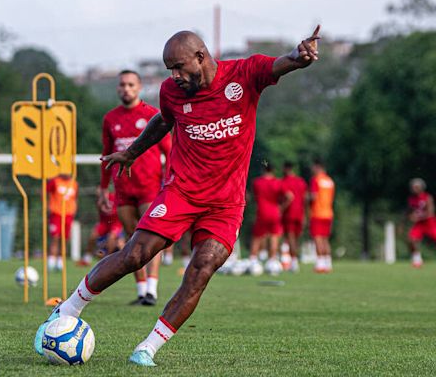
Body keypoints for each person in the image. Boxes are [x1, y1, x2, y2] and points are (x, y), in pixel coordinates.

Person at [35, 26, 321, 366]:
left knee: (203, 267)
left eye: (178, 67)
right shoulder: (172, 92)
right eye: (169, 69)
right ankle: (67, 309)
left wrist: (299, 57)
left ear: (200, 57)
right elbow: (162, 122)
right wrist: (131, 153)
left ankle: (147, 348)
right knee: (134, 254)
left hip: (226, 204)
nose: (174, 76)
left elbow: (281, 63)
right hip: (181, 192)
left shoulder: (244, 74)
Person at [98, 70, 172, 306]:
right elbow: (106, 156)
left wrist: (170, 181)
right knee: (132, 241)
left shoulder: (152, 115)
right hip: (123, 190)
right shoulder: (111, 118)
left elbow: (169, 152)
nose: (126, 88)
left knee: (153, 237)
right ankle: (141, 291)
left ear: (139, 87)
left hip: (150, 188)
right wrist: (102, 188)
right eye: (122, 84)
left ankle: (152, 288)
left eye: (130, 84)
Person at [249, 163, 292, 274]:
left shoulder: (257, 182)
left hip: (262, 212)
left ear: (263, 169)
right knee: (274, 236)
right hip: (274, 212)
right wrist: (281, 207)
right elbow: (290, 196)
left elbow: (252, 196)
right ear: (273, 170)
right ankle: (272, 260)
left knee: (257, 237)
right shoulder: (278, 182)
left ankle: (253, 260)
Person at [77, 188, 124, 266]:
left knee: (111, 238)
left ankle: (108, 260)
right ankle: (87, 258)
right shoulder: (99, 201)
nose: (98, 193)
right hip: (104, 223)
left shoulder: (114, 197)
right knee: (93, 236)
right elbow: (101, 215)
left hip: (115, 223)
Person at [47, 174, 78, 271]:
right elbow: (45, 192)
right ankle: (51, 261)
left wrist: (74, 208)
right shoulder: (55, 181)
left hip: (68, 214)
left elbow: (74, 198)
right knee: (55, 237)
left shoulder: (74, 183)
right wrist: (47, 205)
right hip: (56, 213)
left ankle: (60, 261)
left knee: (64, 239)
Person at [309, 159, 335, 273]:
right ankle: (327, 263)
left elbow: (313, 196)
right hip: (328, 213)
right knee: (325, 239)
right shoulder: (330, 181)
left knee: (318, 238)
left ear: (318, 167)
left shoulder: (316, 180)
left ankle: (320, 264)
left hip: (318, 212)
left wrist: (306, 199)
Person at [281, 161, 307, 272]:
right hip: (300, 213)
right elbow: (305, 198)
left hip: (290, 213)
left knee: (290, 238)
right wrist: (306, 214)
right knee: (295, 239)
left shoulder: (284, 181)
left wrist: (280, 208)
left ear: (286, 169)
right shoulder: (301, 181)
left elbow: (287, 197)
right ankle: (294, 259)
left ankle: (294, 262)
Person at [407, 178, 436, 268]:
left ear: (421, 188)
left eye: (416, 187)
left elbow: (430, 212)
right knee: (411, 240)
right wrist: (410, 217)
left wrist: (419, 217)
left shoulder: (427, 197)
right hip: (419, 225)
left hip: (429, 223)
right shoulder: (411, 199)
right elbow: (409, 212)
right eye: (413, 187)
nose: (413, 189)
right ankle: (417, 260)